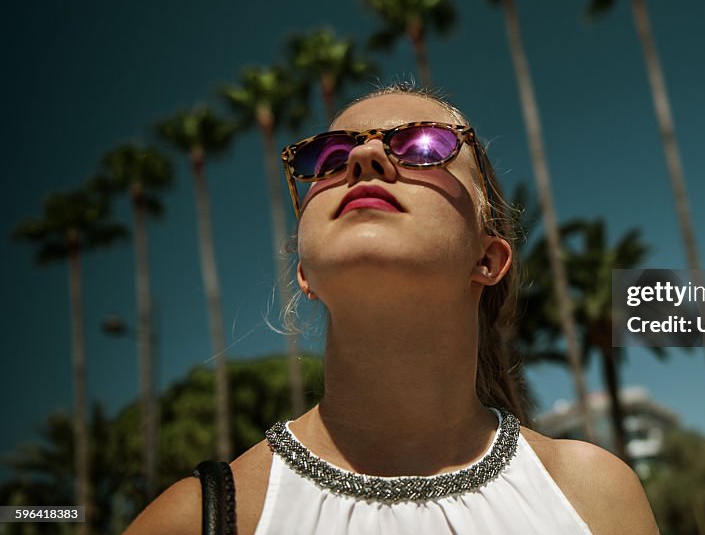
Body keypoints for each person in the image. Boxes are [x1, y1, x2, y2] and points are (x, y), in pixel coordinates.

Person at [125, 85, 660, 535]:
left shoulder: (596, 497)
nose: (363, 158)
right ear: (304, 273)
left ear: (488, 257)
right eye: (327, 160)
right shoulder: (194, 519)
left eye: (423, 145)